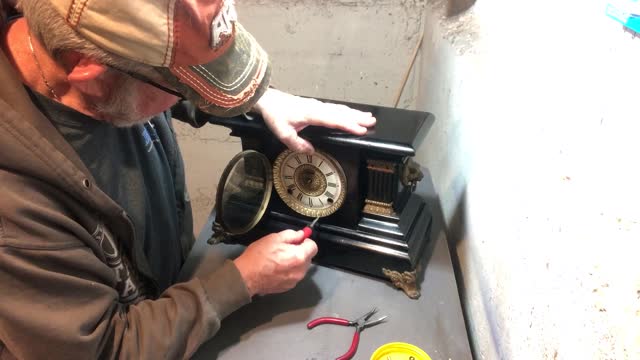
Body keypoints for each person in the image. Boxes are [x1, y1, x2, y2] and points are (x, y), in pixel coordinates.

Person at [0, 0, 376, 358]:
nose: (193, 95)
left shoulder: (91, 63)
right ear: (87, 69)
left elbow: (158, 63)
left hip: (168, 291)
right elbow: (107, 349)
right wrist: (242, 281)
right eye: (184, 85)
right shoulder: (15, 212)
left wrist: (261, 100)